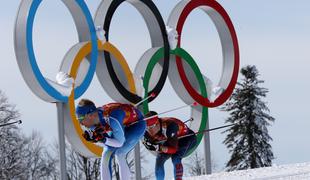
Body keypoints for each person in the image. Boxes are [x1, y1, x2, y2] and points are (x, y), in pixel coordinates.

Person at [76, 99, 146, 180]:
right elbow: (105, 141)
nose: (80, 123)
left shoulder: (112, 118)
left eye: (80, 118)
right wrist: (98, 139)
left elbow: (120, 143)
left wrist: (102, 139)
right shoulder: (91, 122)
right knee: (106, 154)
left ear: (90, 115)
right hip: (121, 125)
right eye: (78, 119)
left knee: (120, 154)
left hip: (137, 124)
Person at [142, 111, 197, 180]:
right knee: (159, 159)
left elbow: (173, 149)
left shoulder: (170, 126)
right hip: (170, 139)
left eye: (151, 126)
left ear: (157, 123)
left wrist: (158, 147)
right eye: (147, 128)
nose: (150, 130)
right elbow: (148, 144)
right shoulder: (146, 131)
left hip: (186, 138)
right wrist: (150, 145)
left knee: (175, 157)